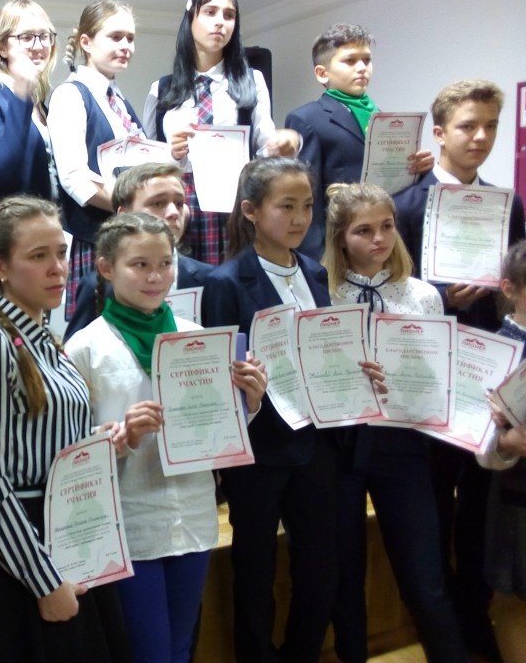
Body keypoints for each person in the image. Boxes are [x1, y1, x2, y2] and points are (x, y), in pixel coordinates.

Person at [201, 156, 385, 662]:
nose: (300, 218)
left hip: (316, 445)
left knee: (320, 571)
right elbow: (220, 379)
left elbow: (325, 350)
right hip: (258, 452)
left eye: (306, 206)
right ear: (251, 211)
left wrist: (358, 372)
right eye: (286, 206)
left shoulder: (315, 271)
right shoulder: (226, 282)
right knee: (254, 574)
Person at [65, 211, 266, 663]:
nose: (155, 276)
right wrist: (120, 438)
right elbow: (69, 452)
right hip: (129, 523)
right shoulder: (85, 348)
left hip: (192, 516)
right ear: (106, 268)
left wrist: (248, 403)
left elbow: (216, 431)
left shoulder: (197, 339)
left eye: (165, 263)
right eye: (139, 264)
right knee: (149, 653)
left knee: (180, 647)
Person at [0, 195, 133, 663]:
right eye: (38, 256)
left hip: (74, 532)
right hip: (26, 554)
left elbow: (42, 443)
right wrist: (44, 580)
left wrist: (98, 443)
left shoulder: (46, 340)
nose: (57, 268)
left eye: (60, 252)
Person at [393, 79, 525, 663]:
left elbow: (518, 291)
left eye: (491, 126)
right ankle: (442, 633)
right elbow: (392, 299)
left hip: (491, 385)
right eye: (468, 126)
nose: (481, 137)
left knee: (480, 511)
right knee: (431, 513)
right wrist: (440, 298)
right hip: (427, 383)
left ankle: (475, 626)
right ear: (441, 132)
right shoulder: (405, 207)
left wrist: (501, 293)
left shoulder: (508, 205)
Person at [322, 182, 467, 663]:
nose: (379, 238)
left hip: (403, 443)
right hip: (342, 444)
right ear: (341, 238)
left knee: (425, 576)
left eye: (386, 226)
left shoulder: (422, 295)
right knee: (345, 577)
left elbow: (438, 372)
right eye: (363, 231)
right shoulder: (324, 292)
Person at [143, 0, 300, 268]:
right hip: (181, 205)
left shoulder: (251, 81)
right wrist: (172, 153)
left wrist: (285, 144)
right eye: (210, 12)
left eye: (229, 15)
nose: (220, 22)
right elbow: (146, 165)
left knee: (235, 282)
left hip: (235, 202)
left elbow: (265, 148)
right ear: (191, 18)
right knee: (184, 281)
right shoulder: (162, 89)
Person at [287, 23, 434, 258]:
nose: (362, 68)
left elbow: (397, 189)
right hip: (339, 246)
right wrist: (316, 260)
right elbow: (307, 195)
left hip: (386, 241)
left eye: (367, 60)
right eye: (350, 61)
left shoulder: (384, 120)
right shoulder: (307, 119)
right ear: (322, 73)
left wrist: (419, 171)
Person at [49, 0, 141, 318]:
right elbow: (75, 178)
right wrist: (135, 204)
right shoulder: (70, 95)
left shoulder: (121, 102)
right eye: (115, 37)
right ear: (86, 42)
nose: (126, 45)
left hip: (129, 238)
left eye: (130, 38)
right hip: (96, 243)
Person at [64, 161, 212, 341]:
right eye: (158, 203)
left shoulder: (209, 279)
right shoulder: (96, 285)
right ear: (124, 214)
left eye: (179, 203)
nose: (174, 212)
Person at [478, 239, 526, 663]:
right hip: (517, 493)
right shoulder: (495, 351)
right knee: (514, 597)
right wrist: (506, 443)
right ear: (510, 289)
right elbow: (480, 440)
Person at [0, 0, 60, 212]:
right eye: (26, 37)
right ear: (2, 48)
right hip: (11, 225)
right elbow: (2, 173)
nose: (38, 45)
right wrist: (21, 96)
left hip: (50, 222)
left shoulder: (43, 106)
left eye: (44, 36)